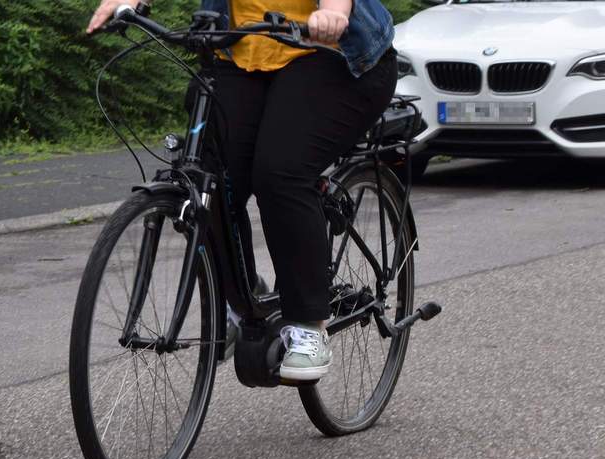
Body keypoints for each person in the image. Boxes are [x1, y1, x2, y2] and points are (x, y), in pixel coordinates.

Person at [88, 0, 398, 381]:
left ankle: (308, 327)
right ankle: (243, 296)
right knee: (209, 177)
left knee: (281, 171)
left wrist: (334, 12)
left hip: (331, 54)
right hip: (242, 51)